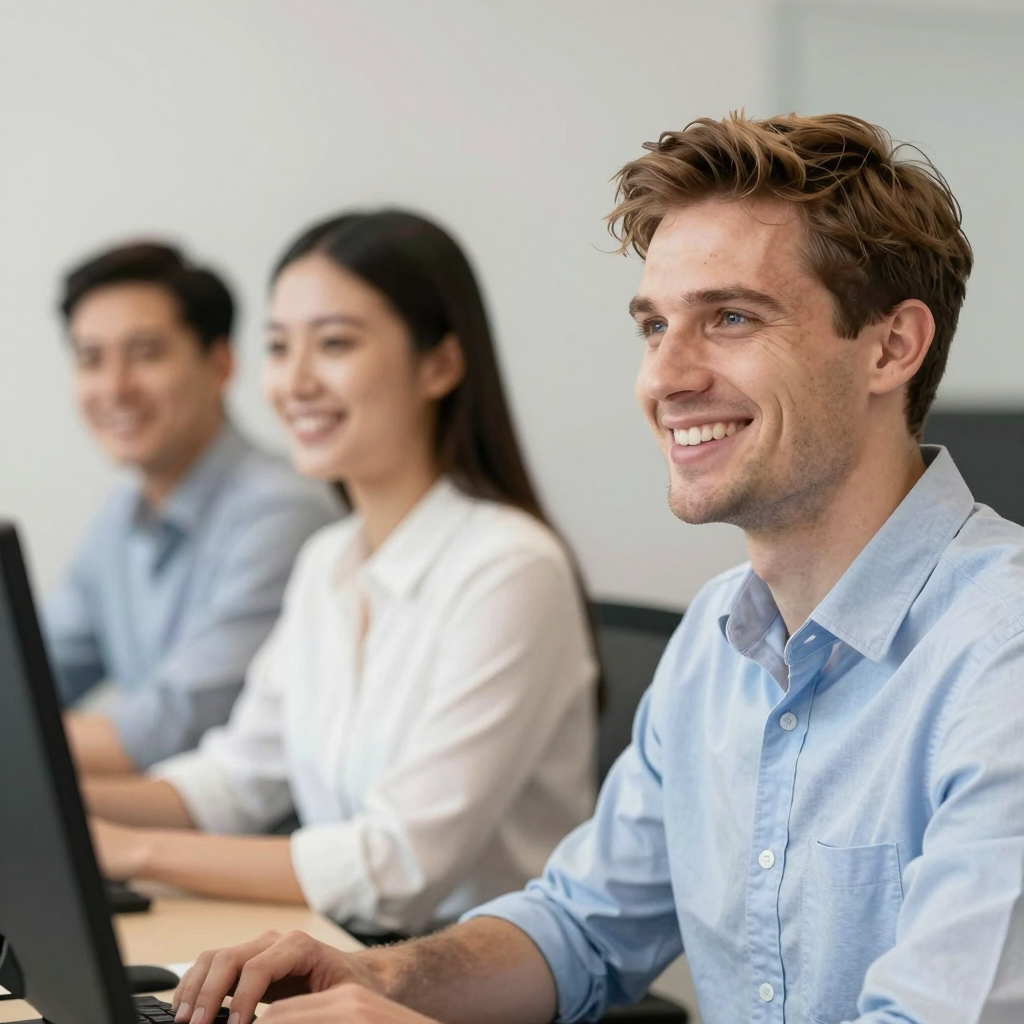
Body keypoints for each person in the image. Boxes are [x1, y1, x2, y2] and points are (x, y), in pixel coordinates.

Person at [168, 113, 1024, 1024]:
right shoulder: (715, 640)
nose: (665, 376)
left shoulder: (998, 654)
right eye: (655, 325)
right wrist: (376, 979)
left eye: (730, 318)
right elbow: (578, 928)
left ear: (891, 347)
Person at [84, 211, 598, 938]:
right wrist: (64, 814)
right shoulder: (329, 560)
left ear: (440, 365)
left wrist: (129, 850)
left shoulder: (511, 568)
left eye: (333, 344)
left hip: (466, 984)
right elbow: (238, 776)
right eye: (278, 346)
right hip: (348, 951)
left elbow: (396, 866)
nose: (294, 382)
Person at [46, 242, 339, 776]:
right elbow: (35, 673)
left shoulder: (282, 512)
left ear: (221, 363)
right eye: (91, 359)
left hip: (248, 848)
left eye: (146, 353)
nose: (115, 388)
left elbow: (171, 727)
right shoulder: (119, 517)